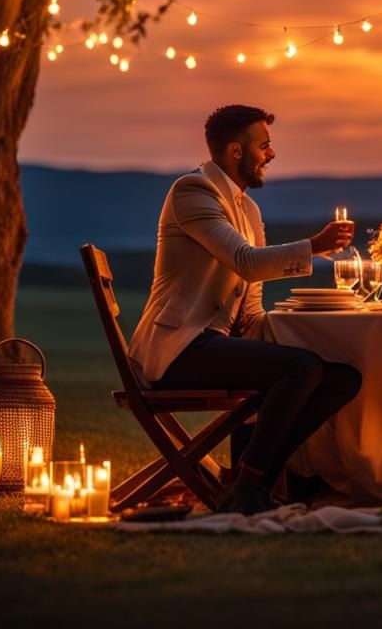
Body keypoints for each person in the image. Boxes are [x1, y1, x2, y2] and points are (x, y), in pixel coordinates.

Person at [127, 104, 362, 514]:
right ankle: (251, 484)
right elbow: (247, 262)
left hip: (214, 344)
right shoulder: (192, 191)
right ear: (236, 151)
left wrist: (292, 326)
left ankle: (251, 476)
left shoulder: (248, 210)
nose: (272, 154)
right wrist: (317, 246)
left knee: (342, 379)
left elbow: (250, 302)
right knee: (300, 368)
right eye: (265, 146)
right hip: (178, 350)